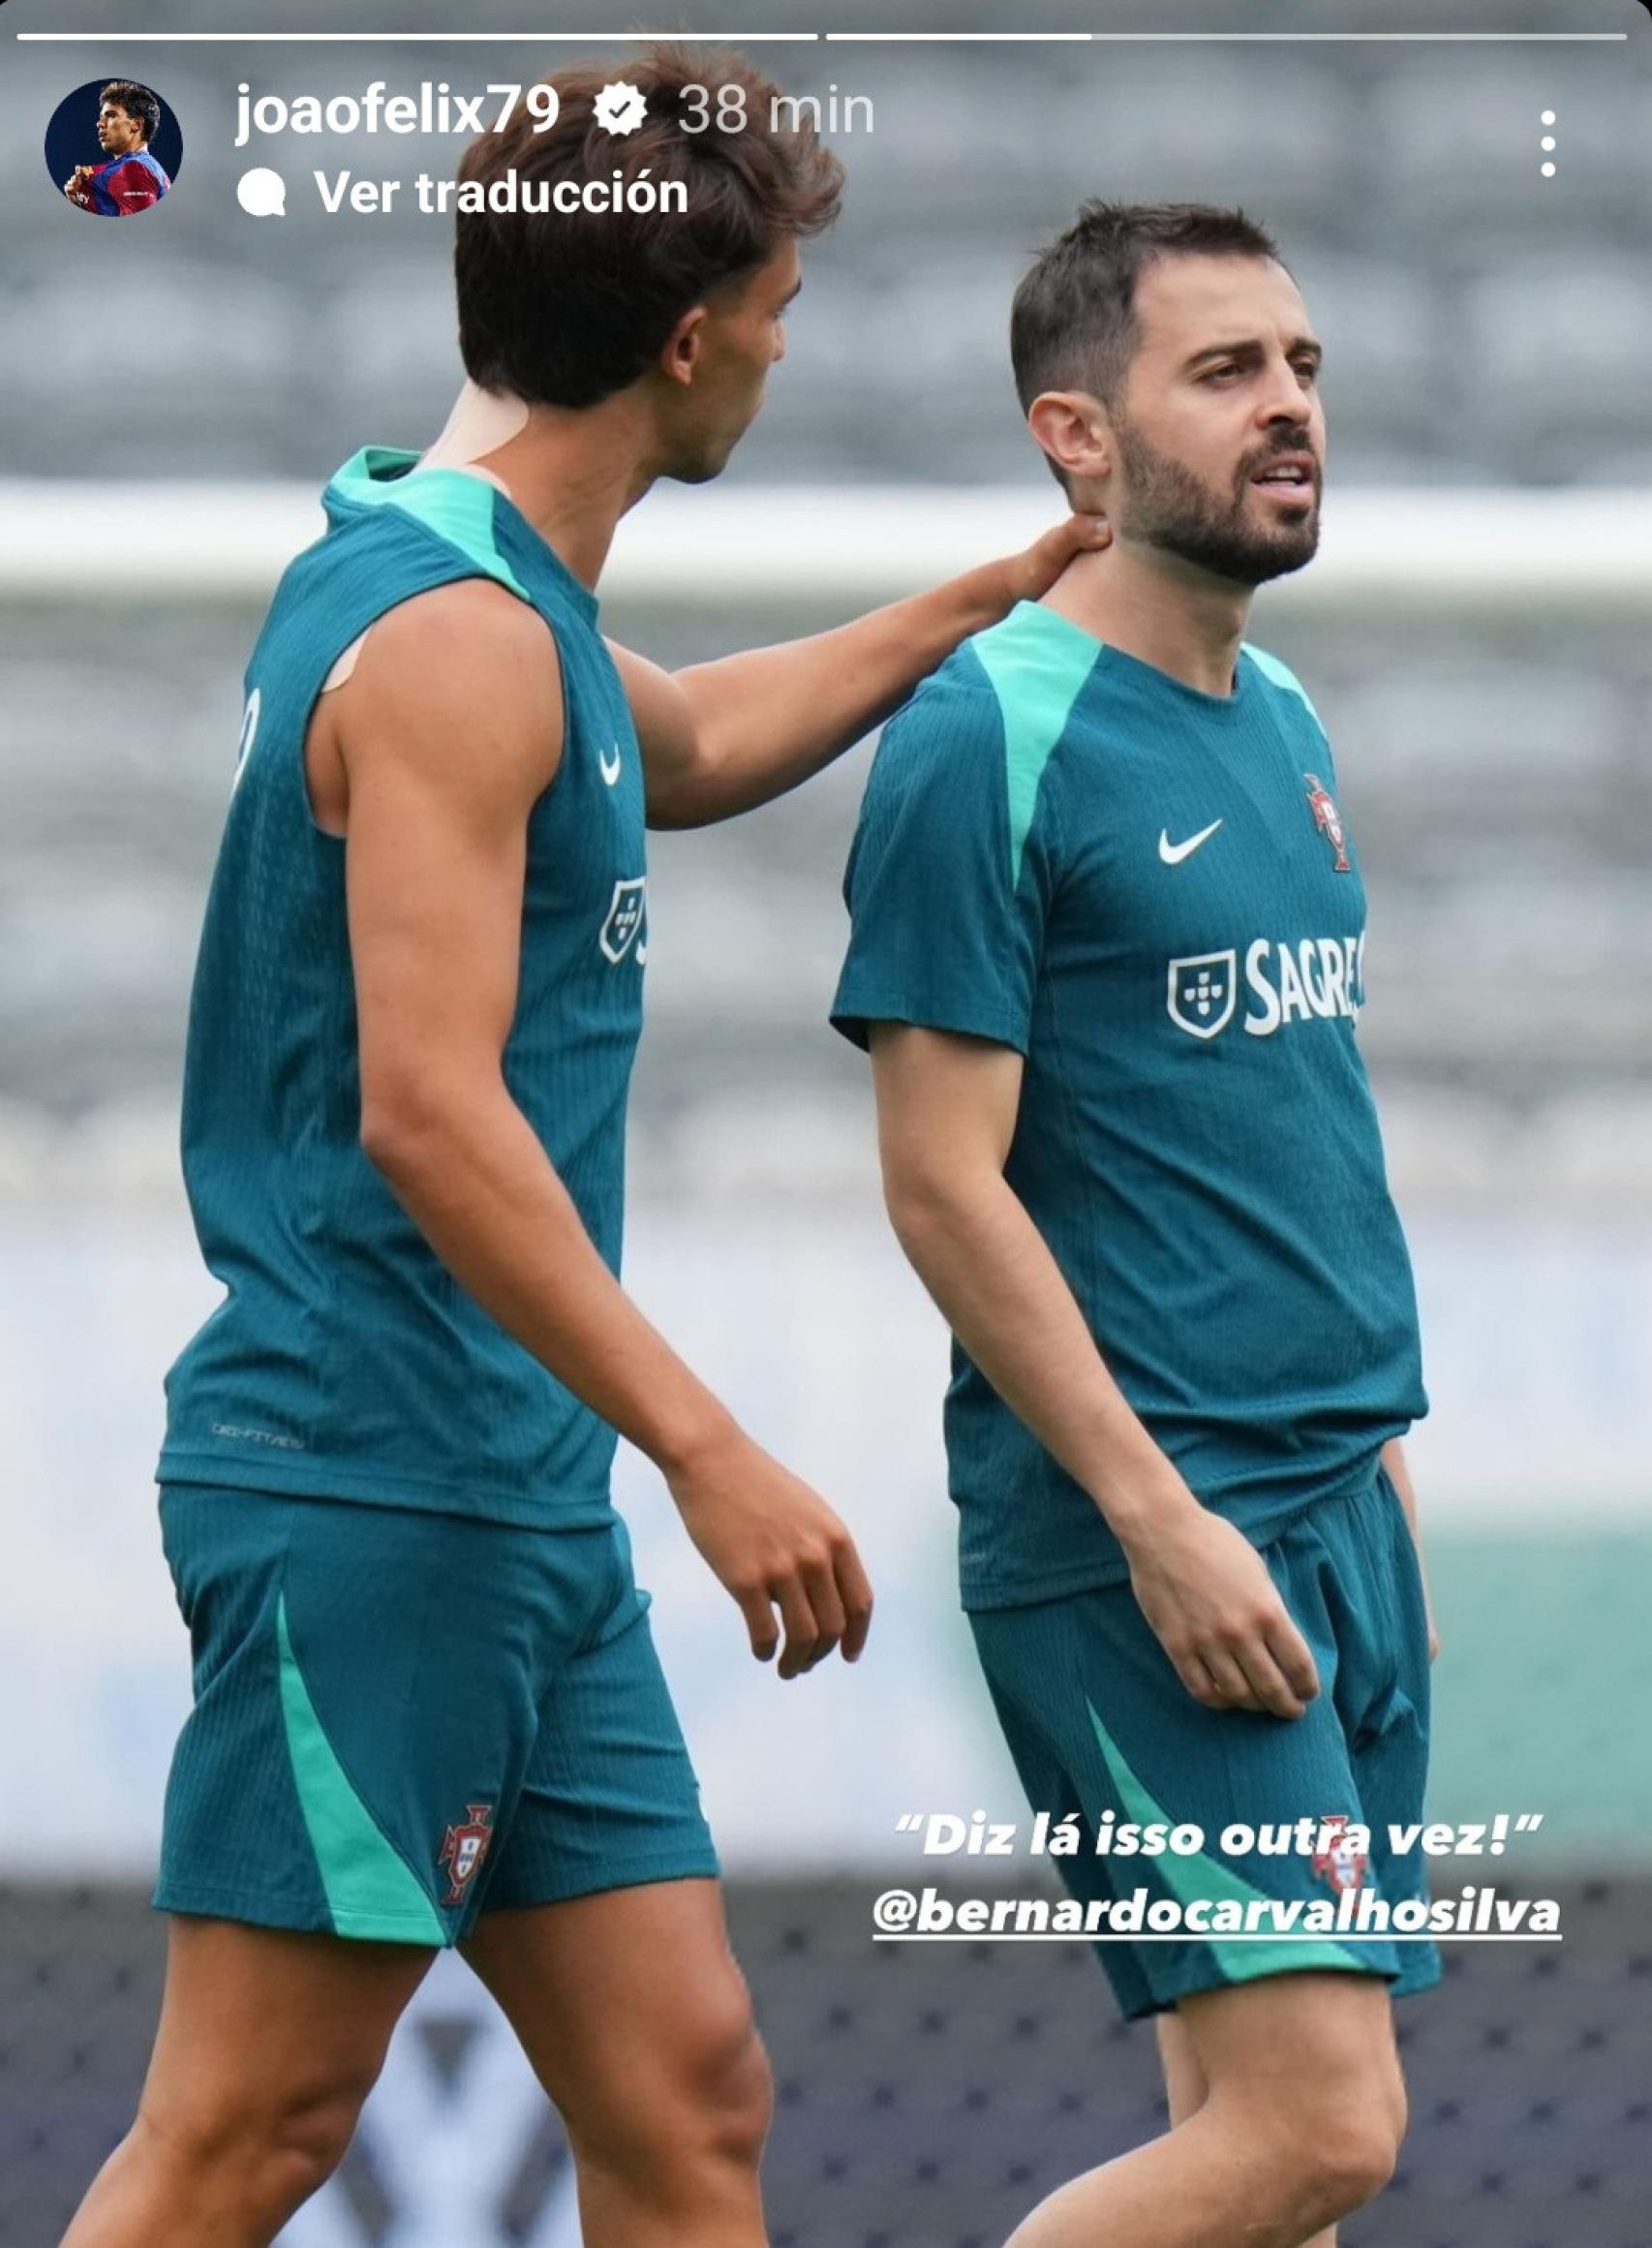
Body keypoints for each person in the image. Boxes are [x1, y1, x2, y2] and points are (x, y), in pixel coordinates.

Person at [61, 48, 1105, 2248]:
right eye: (783, 303)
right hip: (376, 1478)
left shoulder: (467, 580)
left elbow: (693, 729)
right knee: (243, 2129)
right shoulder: (447, 638)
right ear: (686, 336)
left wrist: (984, 599)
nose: (789, 343)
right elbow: (427, 1113)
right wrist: (704, 1446)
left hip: (502, 1491)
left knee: (685, 2091)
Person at [832, 200, 1439, 2248]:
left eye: (1302, 367)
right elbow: (936, 1175)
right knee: (1318, 2124)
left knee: (1266, 2160)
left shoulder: (1280, 723)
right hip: (1145, 1533)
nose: (1288, 409)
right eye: (1224, 372)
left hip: (1337, 1504)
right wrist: (1158, 1511)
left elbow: (1272, 1134)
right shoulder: (979, 736)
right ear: (1073, 437)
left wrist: (1375, 1467)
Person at [64, 81, 171, 216]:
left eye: (111, 115)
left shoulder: (136, 168)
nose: (100, 123)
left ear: (136, 124)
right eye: (101, 117)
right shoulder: (138, 166)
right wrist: (78, 201)